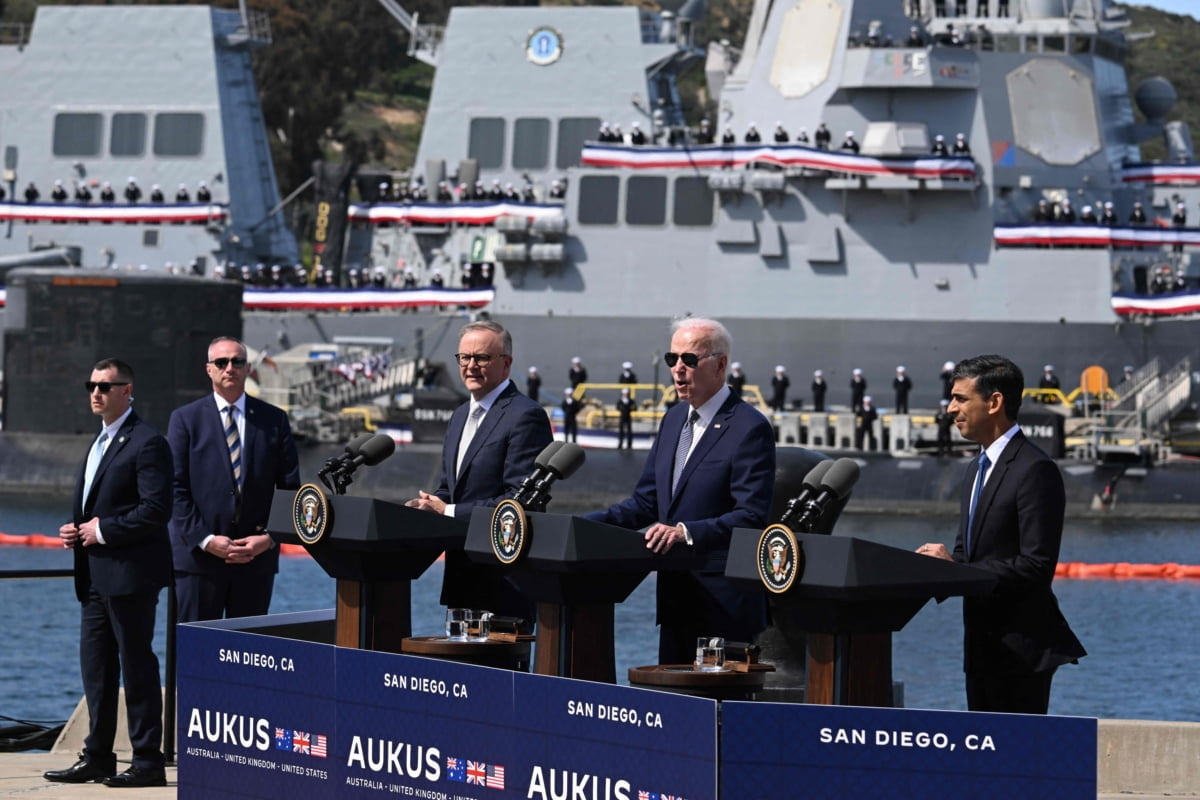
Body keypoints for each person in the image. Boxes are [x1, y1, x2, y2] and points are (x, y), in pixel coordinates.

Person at [584, 317, 775, 663]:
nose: (678, 369)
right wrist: (584, 526)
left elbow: (751, 516)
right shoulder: (673, 420)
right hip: (676, 598)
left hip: (724, 606)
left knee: (715, 713)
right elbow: (647, 503)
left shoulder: (749, 428)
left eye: (689, 360)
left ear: (720, 365)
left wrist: (685, 532)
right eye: (673, 360)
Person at [917, 355, 1085, 713]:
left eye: (961, 399)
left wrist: (958, 570)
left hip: (1020, 655)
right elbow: (969, 556)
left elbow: (1036, 566)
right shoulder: (975, 470)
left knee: (1017, 763)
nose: (951, 409)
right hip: (981, 650)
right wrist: (934, 568)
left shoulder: (1034, 469)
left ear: (994, 403)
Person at [45, 358, 171, 787]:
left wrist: (104, 530)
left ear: (126, 390)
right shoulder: (98, 442)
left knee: (136, 667)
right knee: (96, 669)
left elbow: (156, 511)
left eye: (104, 386)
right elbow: (97, 506)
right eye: (91, 385)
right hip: (94, 577)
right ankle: (98, 756)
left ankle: (148, 761)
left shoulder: (147, 442)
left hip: (131, 576)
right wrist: (77, 531)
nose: (95, 393)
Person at [406, 321, 553, 618]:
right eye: (465, 357)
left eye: (482, 358)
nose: (471, 365)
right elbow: (450, 488)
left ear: (506, 364)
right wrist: (427, 506)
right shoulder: (460, 415)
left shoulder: (525, 416)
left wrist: (446, 512)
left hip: (504, 583)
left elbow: (520, 502)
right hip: (462, 582)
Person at [167, 337, 300, 622]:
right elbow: (175, 488)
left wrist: (269, 539)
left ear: (247, 368)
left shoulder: (273, 420)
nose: (230, 368)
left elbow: (290, 489)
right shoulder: (185, 420)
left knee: (249, 655)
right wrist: (206, 539)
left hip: (256, 561)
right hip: (198, 561)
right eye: (221, 362)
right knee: (196, 658)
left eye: (237, 362)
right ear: (209, 369)